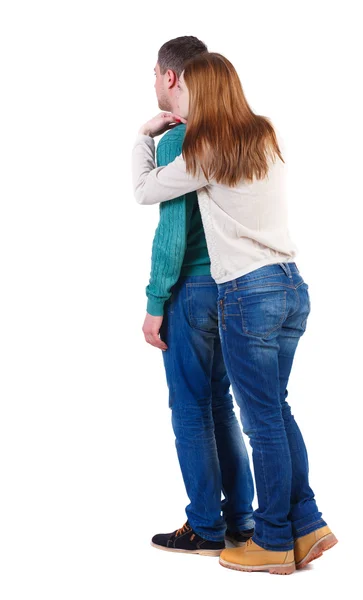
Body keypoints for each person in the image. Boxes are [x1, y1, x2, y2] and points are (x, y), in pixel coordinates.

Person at [132, 51, 337, 575]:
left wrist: (143, 135)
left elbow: (146, 190)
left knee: (261, 421)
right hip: (292, 285)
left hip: (247, 293)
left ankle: (271, 542)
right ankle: (307, 522)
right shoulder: (265, 133)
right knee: (276, 411)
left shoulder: (204, 147)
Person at [142, 37, 254, 555]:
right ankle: (242, 520)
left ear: (170, 77)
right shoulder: (233, 137)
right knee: (220, 405)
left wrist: (153, 304)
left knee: (189, 407)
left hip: (190, 289)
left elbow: (170, 232)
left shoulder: (177, 140)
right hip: (234, 286)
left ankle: (206, 527)